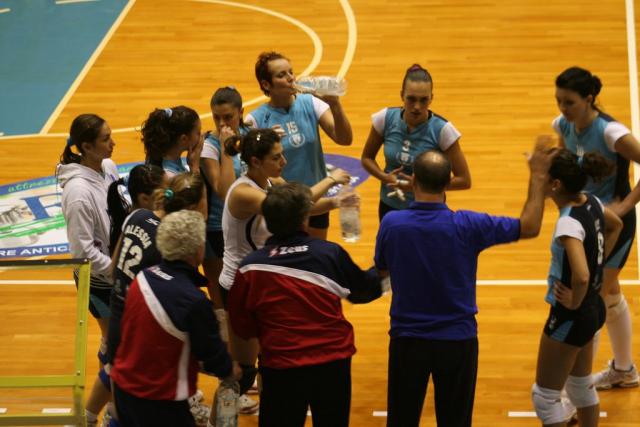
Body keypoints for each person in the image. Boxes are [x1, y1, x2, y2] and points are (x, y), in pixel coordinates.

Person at [374, 144, 552, 427]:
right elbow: (529, 226)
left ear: (414, 180)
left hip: (407, 340)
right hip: (457, 341)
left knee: (402, 420)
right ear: (448, 183)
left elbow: (382, 269)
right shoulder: (469, 225)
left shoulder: (392, 223)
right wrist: (538, 177)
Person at [227, 182, 386, 427]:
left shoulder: (250, 266)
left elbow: (242, 326)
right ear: (304, 219)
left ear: (267, 220)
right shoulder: (329, 254)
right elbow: (364, 292)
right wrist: (388, 265)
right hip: (332, 364)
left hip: (281, 367)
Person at [218, 128, 352, 406]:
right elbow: (291, 205)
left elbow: (302, 208)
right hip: (238, 285)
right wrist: (331, 180)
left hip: (262, 281)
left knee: (270, 359)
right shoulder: (243, 193)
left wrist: (336, 202)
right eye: (276, 157)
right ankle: (219, 422)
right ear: (255, 161)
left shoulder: (271, 181)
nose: (284, 162)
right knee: (241, 373)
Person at [110, 210, 241, 427]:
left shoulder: (142, 277)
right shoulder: (194, 301)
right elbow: (212, 355)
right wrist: (230, 370)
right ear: (198, 250)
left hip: (123, 390)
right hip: (160, 402)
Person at [554, 66, 640, 389]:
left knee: (590, 303)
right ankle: (624, 370)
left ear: (589, 99)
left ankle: (578, 389)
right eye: (559, 101)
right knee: (609, 295)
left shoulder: (611, 133)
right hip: (586, 224)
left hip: (615, 226)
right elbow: (567, 167)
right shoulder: (562, 125)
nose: (563, 108)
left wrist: (623, 207)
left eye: (570, 102)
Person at [106, 171, 212, 426]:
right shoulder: (172, 244)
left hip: (118, 315)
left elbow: (112, 268)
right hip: (140, 330)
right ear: (194, 209)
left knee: (121, 397)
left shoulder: (138, 215)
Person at [531, 149, 622, 427]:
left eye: (542, 176)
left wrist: (573, 300)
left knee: (545, 398)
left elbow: (581, 276)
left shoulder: (567, 223)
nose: (538, 180)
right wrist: (598, 264)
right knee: (581, 386)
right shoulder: (591, 201)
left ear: (556, 184)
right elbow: (616, 225)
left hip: (571, 316)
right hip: (593, 308)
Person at [246, 51, 353, 239]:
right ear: (266, 84)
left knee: (315, 252)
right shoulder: (255, 120)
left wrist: (335, 105)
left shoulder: (311, 102)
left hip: (318, 196)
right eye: (281, 75)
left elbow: (344, 139)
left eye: (291, 72)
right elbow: (254, 169)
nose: (291, 78)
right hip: (284, 205)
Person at [199, 86, 260, 417]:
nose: (223, 123)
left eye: (229, 117)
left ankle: (249, 378)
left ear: (240, 113)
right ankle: (229, 395)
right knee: (231, 320)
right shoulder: (211, 147)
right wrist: (226, 149)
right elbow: (224, 189)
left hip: (253, 234)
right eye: (217, 117)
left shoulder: (250, 134)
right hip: (221, 234)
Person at [56, 113, 119, 426]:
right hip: (98, 283)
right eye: (106, 139)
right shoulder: (78, 194)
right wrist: (117, 270)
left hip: (114, 274)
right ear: (86, 147)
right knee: (120, 350)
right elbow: (82, 253)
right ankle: (93, 416)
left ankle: (104, 412)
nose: (113, 143)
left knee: (116, 345)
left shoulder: (108, 168)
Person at [361, 64, 471, 220]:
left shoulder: (443, 130)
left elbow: (464, 180)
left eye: (424, 100)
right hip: (389, 207)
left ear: (431, 98)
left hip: (429, 211)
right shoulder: (385, 118)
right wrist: (384, 177)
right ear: (402, 95)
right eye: (411, 99)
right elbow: (367, 158)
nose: (417, 107)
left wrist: (421, 187)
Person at [141, 105, 204, 177]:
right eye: (198, 133)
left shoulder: (160, 156)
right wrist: (194, 167)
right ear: (184, 139)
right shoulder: (169, 176)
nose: (201, 136)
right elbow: (197, 185)